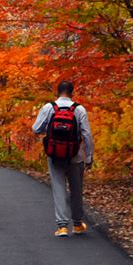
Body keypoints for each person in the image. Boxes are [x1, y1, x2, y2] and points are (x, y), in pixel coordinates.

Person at [33, 79, 92, 236]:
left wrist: (51, 130)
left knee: (59, 188)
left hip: (54, 155)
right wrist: (89, 158)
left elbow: (36, 128)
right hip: (75, 156)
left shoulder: (49, 108)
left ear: (57, 92)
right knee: (76, 189)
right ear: (72, 93)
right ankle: (78, 225)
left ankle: (62, 226)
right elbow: (87, 135)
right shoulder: (79, 110)